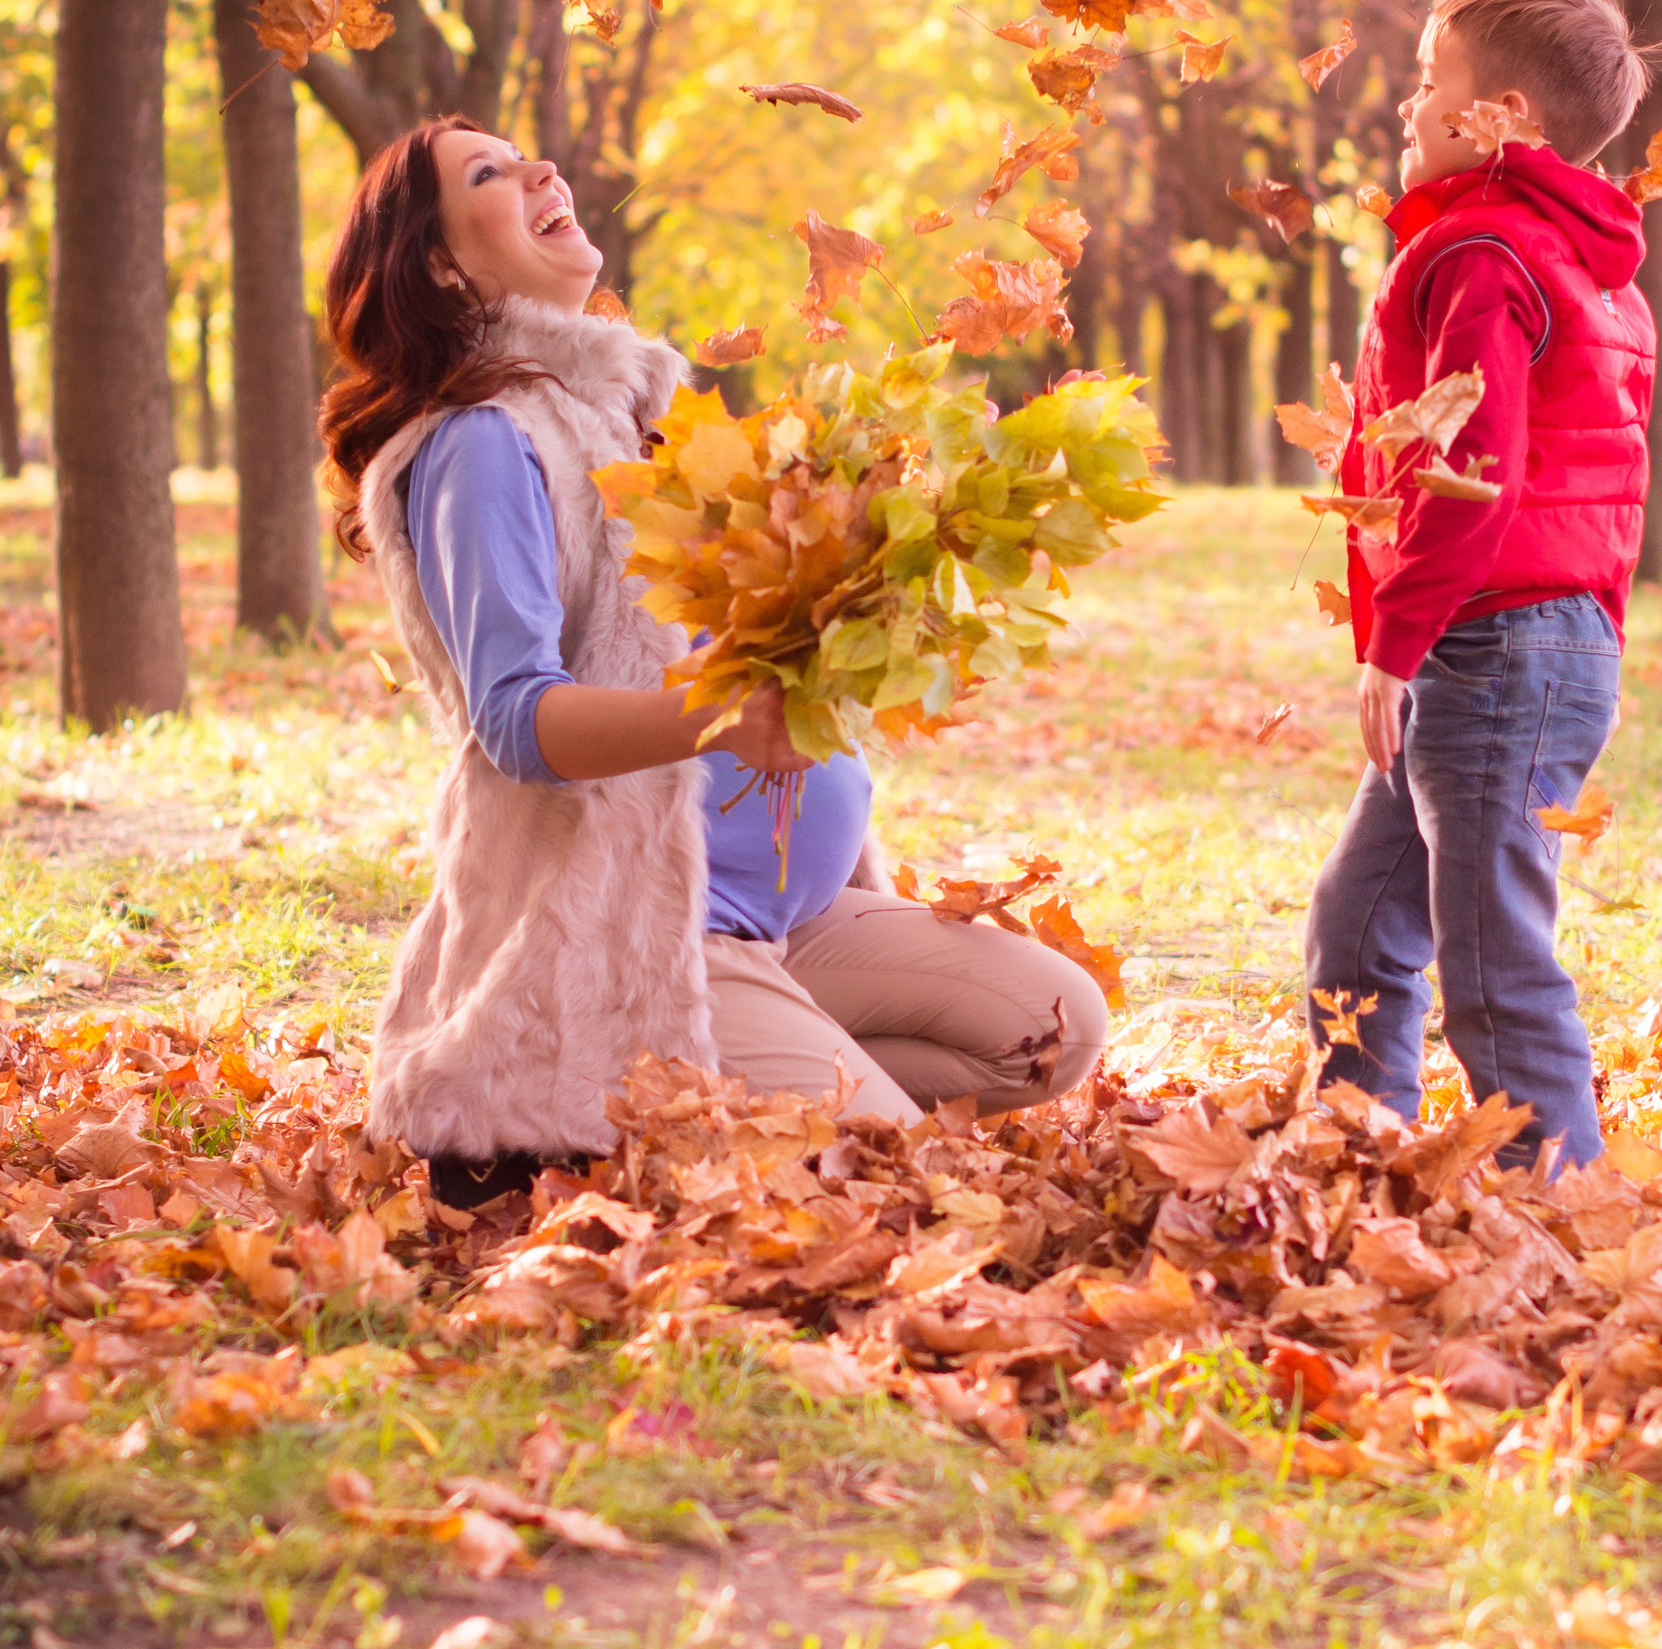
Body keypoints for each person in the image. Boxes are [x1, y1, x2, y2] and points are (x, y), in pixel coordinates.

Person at [318, 116, 1108, 1206]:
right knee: (896, 1191)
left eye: (526, 152)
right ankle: (564, 1115)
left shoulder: (636, 419)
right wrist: (722, 715)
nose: (543, 167)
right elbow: (515, 717)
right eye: (488, 174)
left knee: (1052, 1030)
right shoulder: (483, 443)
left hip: (797, 922)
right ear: (444, 264)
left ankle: (719, 1091)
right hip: (644, 937)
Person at [1302, 0, 1657, 1170]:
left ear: (1500, 114)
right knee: (1355, 930)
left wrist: (1394, 645)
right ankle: (1356, 1159)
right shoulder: (1579, 262)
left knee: (1494, 962)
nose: (1406, 108)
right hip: (1527, 640)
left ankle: (1559, 1214)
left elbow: (1469, 465)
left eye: (1426, 84)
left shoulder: (1483, 251)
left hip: (1492, 645)